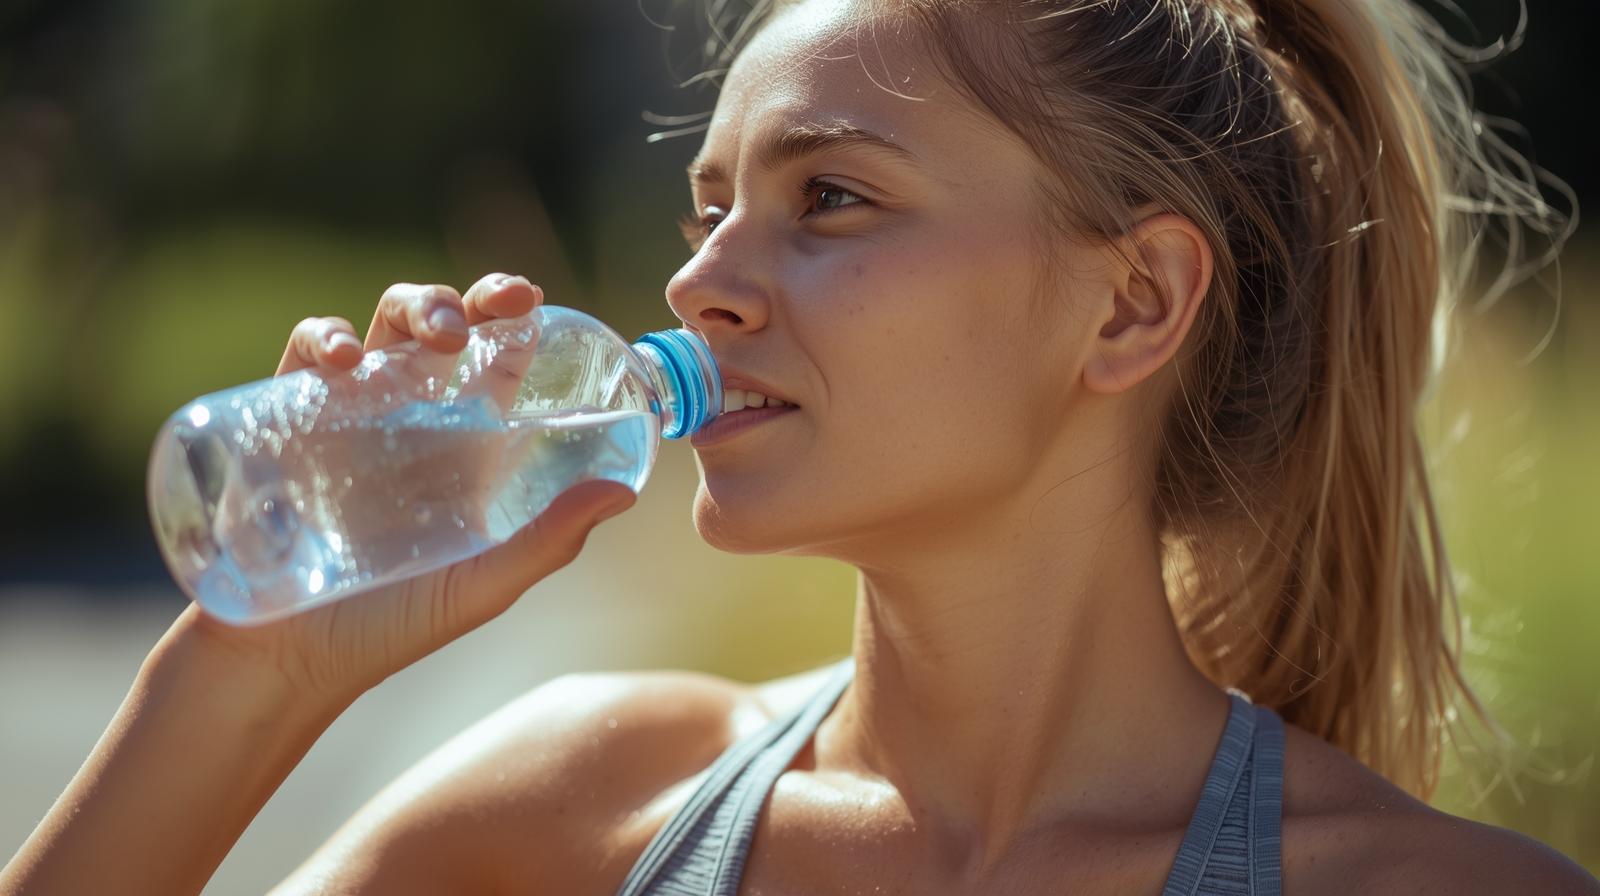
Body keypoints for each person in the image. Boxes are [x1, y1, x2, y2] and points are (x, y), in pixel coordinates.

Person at [4, 0, 1596, 893]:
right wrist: (254, 675)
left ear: (1133, 304)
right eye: (708, 210)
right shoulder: (577, 811)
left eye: (831, 197)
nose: (696, 284)